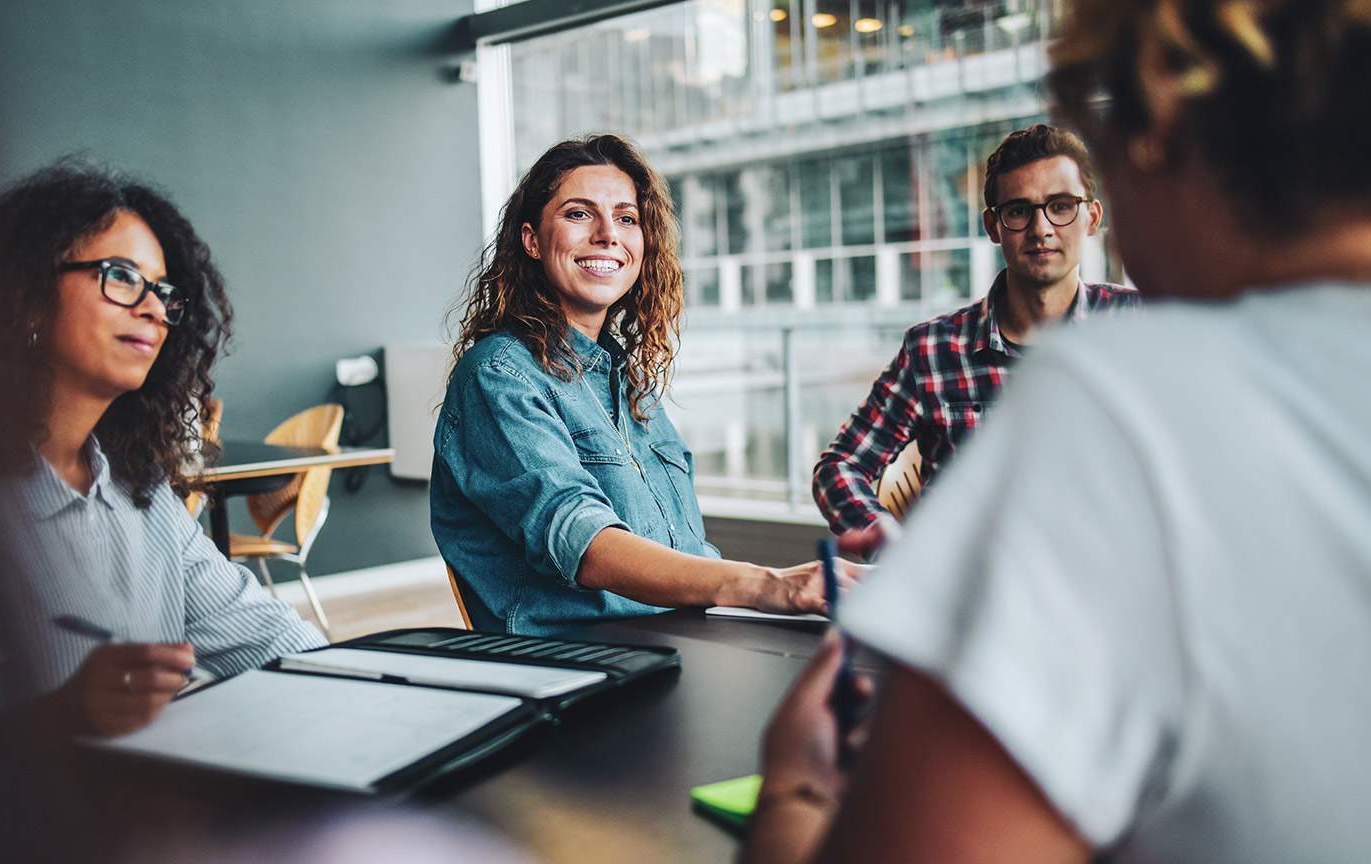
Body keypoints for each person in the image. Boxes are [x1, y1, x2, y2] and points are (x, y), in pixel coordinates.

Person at [744, 1, 1371, 862]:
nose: (1044, 227)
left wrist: (795, 789)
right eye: (1019, 212)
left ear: (1155, 138)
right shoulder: (947, 350)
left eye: (1073, 196)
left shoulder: (1124, 374)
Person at [0, 160, 326, 768]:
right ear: (22, 296)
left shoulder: (142, 491)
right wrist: (57, 720)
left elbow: (260, 632)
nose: (154, 309)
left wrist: (377, 691)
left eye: (163, 291)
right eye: (122, 277)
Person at [431, 134, 857, 636]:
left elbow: (686, 545)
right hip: (584, 664)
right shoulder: (500, 374)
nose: (608, 234)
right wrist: (765, 584)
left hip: (682, 637)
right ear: (531, 240)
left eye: (626, 218)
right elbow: (581, 539)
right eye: (578, 214)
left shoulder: (628, 380)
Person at [812, 124, 1140, 533]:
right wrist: (894, 547)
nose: (1041, 229)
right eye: (1019, 211)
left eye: (1060, 206)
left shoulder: (1139, 327)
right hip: (971, 587)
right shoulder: (931, 350)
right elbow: (840, 466)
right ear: (992, 225)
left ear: (1091, 217)